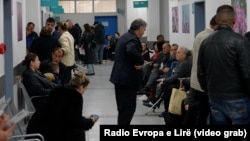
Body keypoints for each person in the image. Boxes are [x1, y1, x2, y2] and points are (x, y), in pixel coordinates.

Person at [197, 5, 250, 125]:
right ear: (234, 21)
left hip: (215, 97)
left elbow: (200, 72)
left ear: (216, 21)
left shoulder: (205, 42)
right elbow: (247, 73)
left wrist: (209, 91)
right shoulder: (240, 41)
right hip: (238, 98)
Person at [26, 71, 98, 141]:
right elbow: (76, 122)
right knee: (78, 132)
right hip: (47, 133)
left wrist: (83, 119)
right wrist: (90, 122)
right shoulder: (75, 96)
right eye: (85, 89)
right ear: (81, 87)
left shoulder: (60, 90)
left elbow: (68, 116)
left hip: (36, 128)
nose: (85, 91)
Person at [110, 18, 147, 125]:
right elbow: (130, 50)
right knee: (128, 108)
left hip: (119, 77)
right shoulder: (132, 39)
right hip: (127, 79)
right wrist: (140, 61)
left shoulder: (124, 37)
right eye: (144, 29)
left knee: (122, 108)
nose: (144, 32)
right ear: (140, 28)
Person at [184, 15, 217, 126]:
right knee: (207, 112)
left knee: (203, 111)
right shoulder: (209, 37)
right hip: (204, 81)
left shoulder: (200, 35)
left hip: (197, 80)